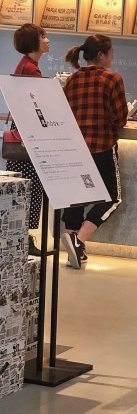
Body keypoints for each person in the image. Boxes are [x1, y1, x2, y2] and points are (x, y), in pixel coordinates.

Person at [60, 35, 128, 270]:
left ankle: (74, 251)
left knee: (76, 197)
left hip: (75, 147)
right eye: (111, 52)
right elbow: (120, 119)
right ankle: (78, 240)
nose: (113, 56)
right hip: (102, 146)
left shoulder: (72, 80)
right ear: (101, 55)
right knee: (113, 198)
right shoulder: (112, 79)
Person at [8, 23, 49, 255]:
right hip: (29, 136)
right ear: (35, 42)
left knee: (24, 189)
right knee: (29, 188)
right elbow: (38, 106)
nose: (47, 40)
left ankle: (22, 238)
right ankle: (24, 239)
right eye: (43, 36)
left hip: (23, 134)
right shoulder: (31, 69)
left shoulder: (26, 65)